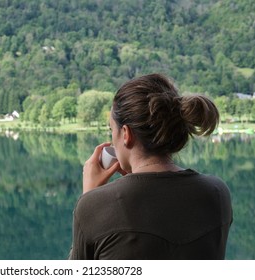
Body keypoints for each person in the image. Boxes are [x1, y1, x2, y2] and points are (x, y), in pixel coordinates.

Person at [68, 73, 233, 260]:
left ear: (125, 134)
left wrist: (90, 197)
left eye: (111, 130)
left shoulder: (95, 205)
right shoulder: (218, 192)